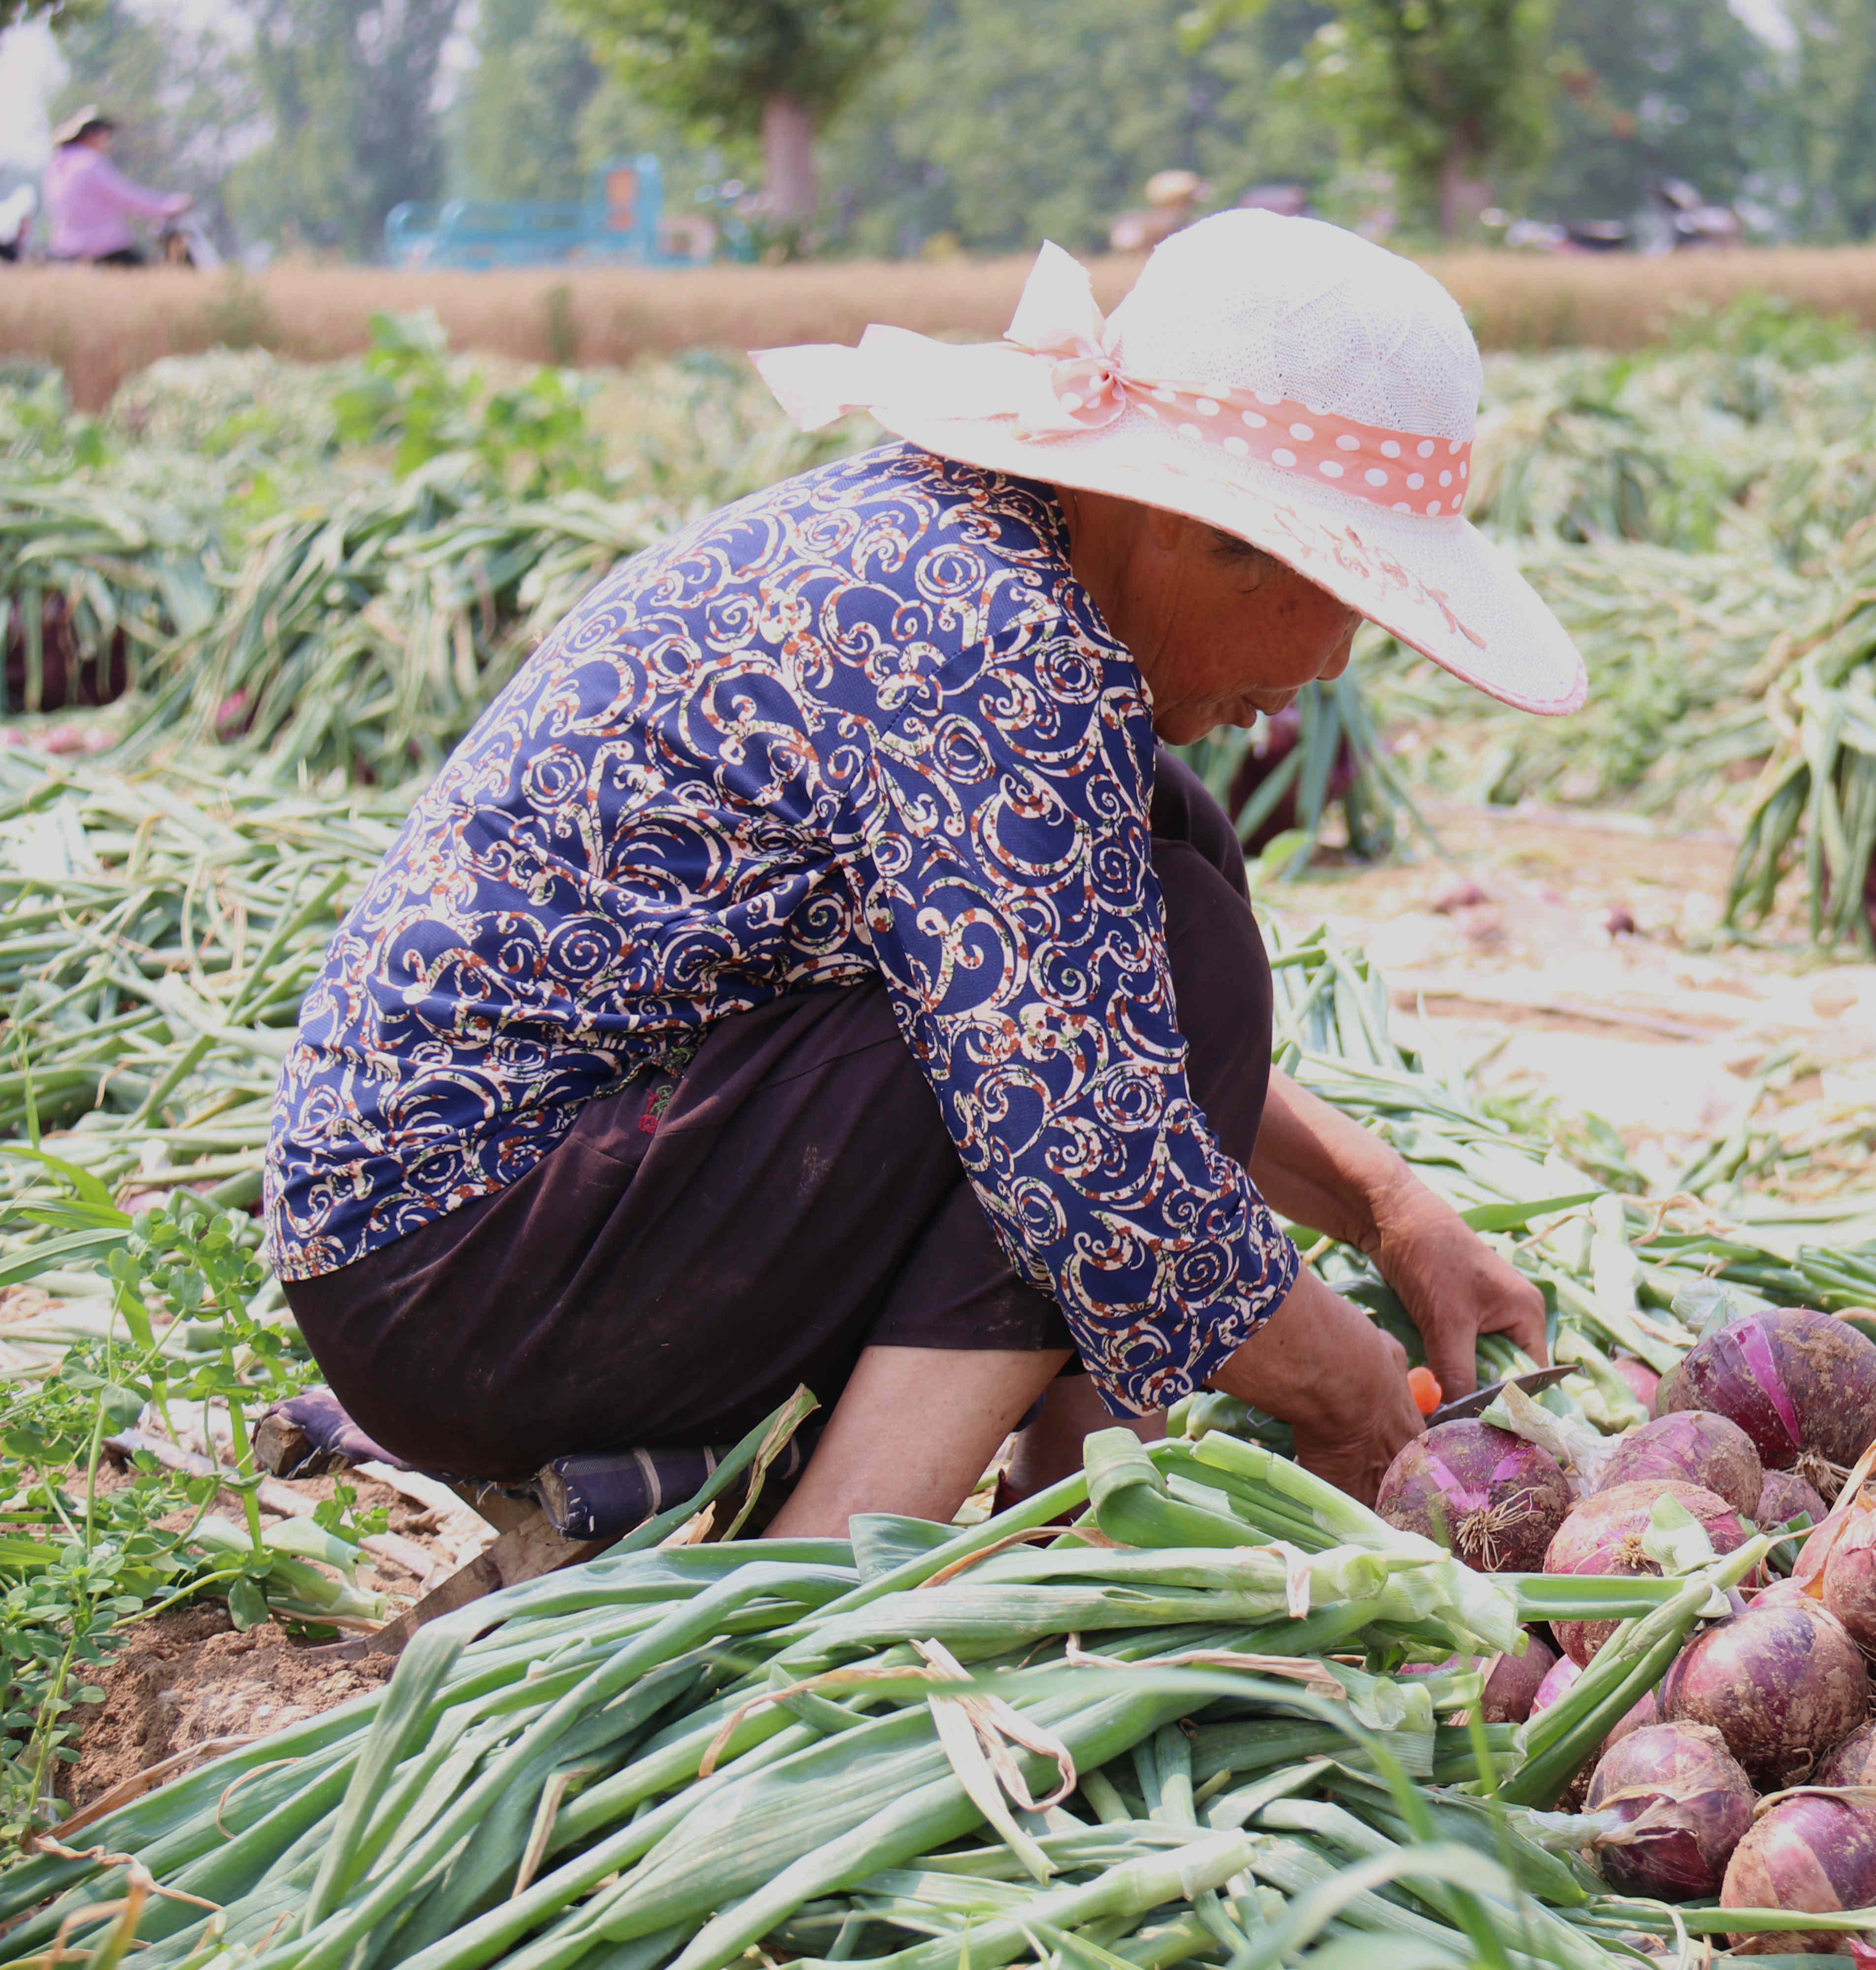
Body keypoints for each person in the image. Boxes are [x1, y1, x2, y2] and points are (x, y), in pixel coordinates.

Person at [263, 212, 1586, 1534]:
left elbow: (1085, 1009)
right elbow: (1092, 1144)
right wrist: (1356, 1403)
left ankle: (1065, 1510)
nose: (1338, 664)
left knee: (1170, 889)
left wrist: (1390, 1209)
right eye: (1345, 596)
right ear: (1196, 527)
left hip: (483, 1238)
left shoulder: (984, 556)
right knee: (1107, 1061)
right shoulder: (997, 643)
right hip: (468, 1273)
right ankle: (808, 1594)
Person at [41, 108, 189, 267]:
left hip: (64, 250)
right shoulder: (90, 163)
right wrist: (169, 206)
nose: (108, 138)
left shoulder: (56, 166)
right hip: (104, 252)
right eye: (105, 132)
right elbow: (127, 197)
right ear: (91, 135)